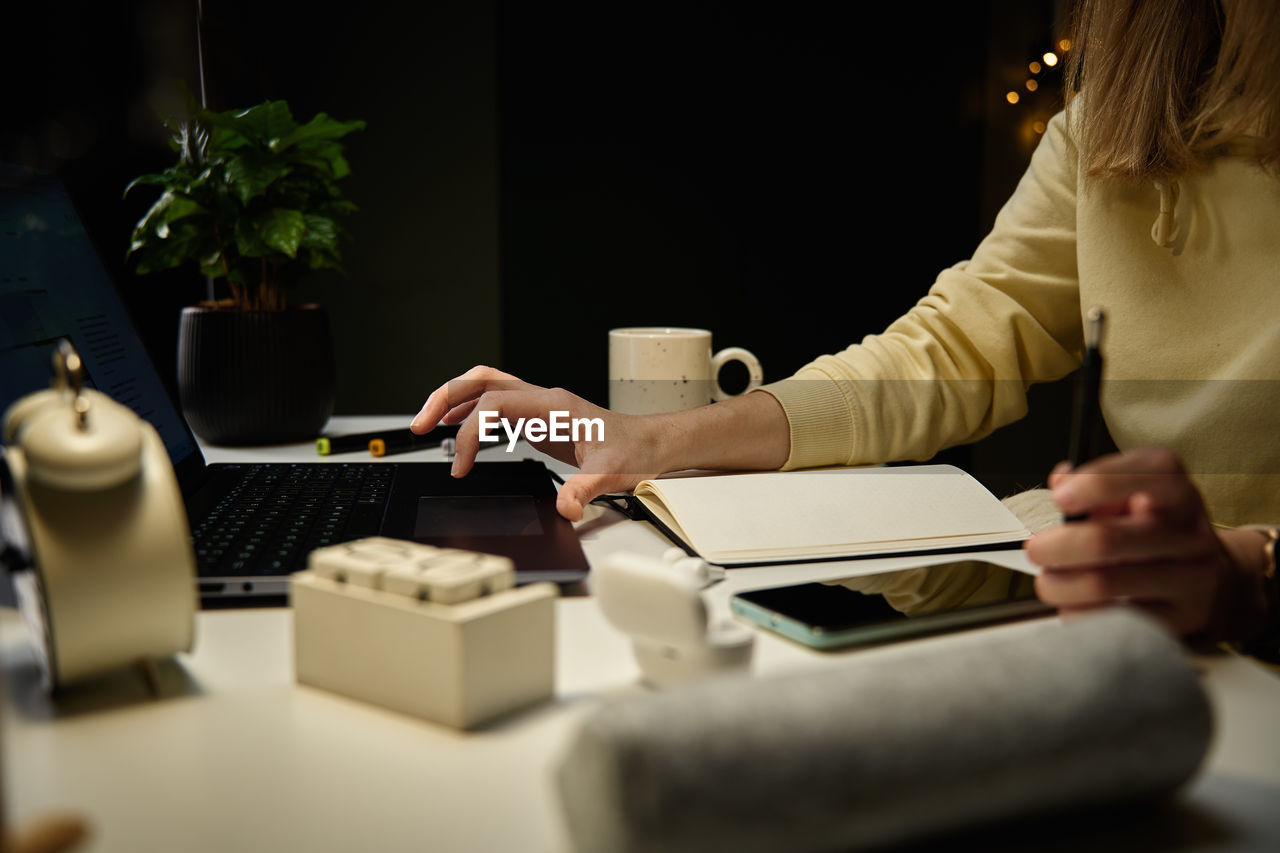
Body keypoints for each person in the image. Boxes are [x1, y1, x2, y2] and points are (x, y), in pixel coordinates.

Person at [410, 0, 1280, 653]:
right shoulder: (1108, 115)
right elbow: (952, 346)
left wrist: (1250, 571)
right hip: (1141, 636)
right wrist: (644, 438)